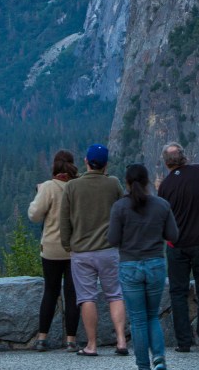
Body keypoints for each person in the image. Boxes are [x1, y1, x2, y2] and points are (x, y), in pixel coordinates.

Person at [60, 143, 129, 358]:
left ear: (86, 162)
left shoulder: (72, 186)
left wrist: (67, 244)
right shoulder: (113, 183)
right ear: (106, 164)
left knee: (87, 298)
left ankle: (91, 345)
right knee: (115, 295)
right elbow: (124, 210)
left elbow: (64, 220)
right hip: (109, 249)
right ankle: (121, 341)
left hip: (81, 252)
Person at [156, 144, 199, 354]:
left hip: (177, 245)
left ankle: (183, 343)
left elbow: (162, 216)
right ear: (184, 157)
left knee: (178, 293)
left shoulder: (165, 186)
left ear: (166, 162)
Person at [110, 163, 177, 370]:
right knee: (152, 315)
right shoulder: (162, 205)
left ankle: (143, 365)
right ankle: (159, 357)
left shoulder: (119, 207)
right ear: (148, 181)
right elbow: (173, 235)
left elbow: (112, 239)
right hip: (155, 264)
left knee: (138, 320)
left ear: (127, 183)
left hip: (130, 265)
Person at [27, 149, 79, 352]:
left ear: (55, 167)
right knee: (72, 293)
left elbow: (34, 215)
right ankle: (71, 340)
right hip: (75, 248)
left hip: (51, 248)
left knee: (50, 291)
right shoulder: (78, 186)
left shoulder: (48, 187)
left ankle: (42, 338)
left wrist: (40, 192)